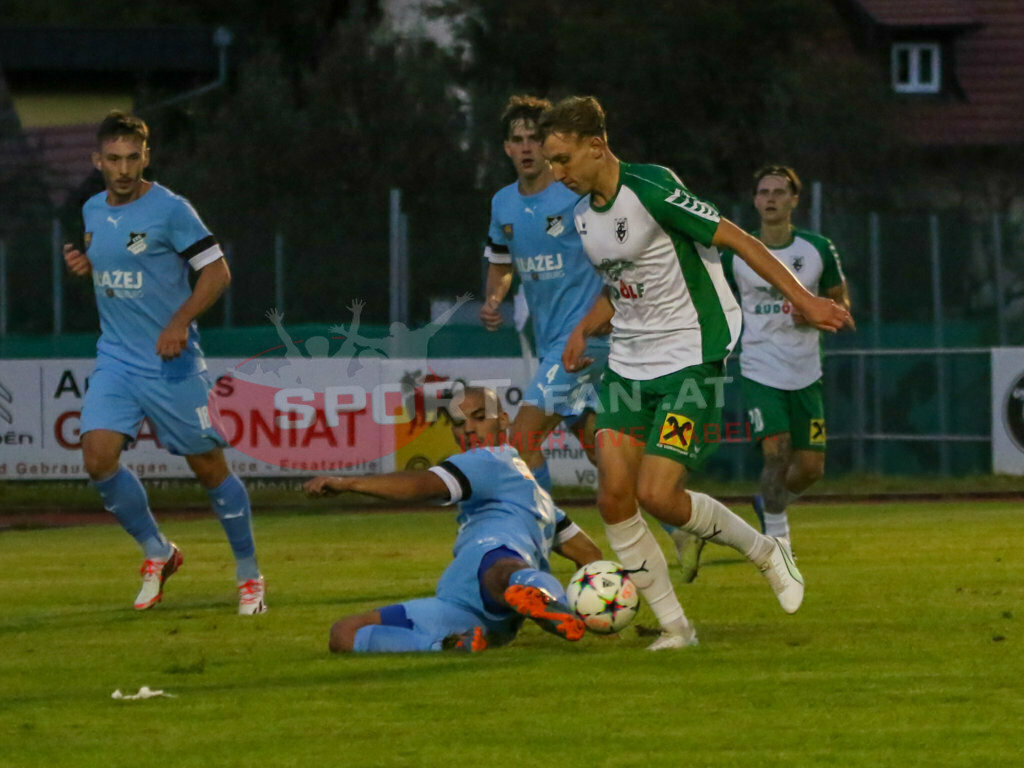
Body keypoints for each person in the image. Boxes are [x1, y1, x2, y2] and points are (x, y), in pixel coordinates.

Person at [539, 96, 854, 650]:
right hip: (629, 363)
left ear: (597, 147)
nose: (556, 172)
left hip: (690, 353)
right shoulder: (584, 215)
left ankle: (766, 552)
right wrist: (584, 328)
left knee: (659, 495)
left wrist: (805, 300)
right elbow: (623, 283)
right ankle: (676, 628)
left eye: (563, 159)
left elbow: (742, 240)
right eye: (551, 162)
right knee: (614, 497)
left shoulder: (653, 189)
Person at [62, 111, 266, 615]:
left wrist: (179, 323)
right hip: (116, 358)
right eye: (114, 159)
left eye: (133, 158)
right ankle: (158, 551)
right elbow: (118, 266)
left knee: (208, 467)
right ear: (97, 160)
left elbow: (217, 273)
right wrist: (86, 266)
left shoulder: (171, 209)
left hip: (171, 362)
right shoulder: (91, 210)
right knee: (97, 458)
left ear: (146, 157)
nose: (123, 169)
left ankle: (249, 576)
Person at [303, 386, 603, 653]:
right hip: (464, 605)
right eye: (459, 423)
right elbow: (588, 554)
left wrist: (348, 483)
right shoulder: (540, 500)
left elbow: (420, 485)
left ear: (503, 420)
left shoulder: (489, 459)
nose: (468, 429)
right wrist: (601, 613)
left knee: (499, 567)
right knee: (344, 633)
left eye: (479, 417)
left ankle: (541, 598)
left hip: (486, 572)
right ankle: (450, 644)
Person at [670, 165, 854, 579]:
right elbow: (712, 298)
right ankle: (779, 543)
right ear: (755, 201)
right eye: (764, 192)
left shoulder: (817, 249)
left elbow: (841, 304)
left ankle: (768, 502)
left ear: (794, 200)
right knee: (777, 453)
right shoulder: (738, 253)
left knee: (810, 470)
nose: (770, 198)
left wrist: (819, 313)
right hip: (759, 367)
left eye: (779, 192)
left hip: (806, 371)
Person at [479, 95, 610, 494]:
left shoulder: (575, 195)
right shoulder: (503, 203)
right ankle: (681, 519)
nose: (526, 148)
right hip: (550, 341)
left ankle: (547, 525)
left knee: (522, 439)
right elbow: (501, 263)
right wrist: (494, 299)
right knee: (601, 451)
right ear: (507, 148)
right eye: (517, 139)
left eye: (535, 139)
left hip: (583, 340)